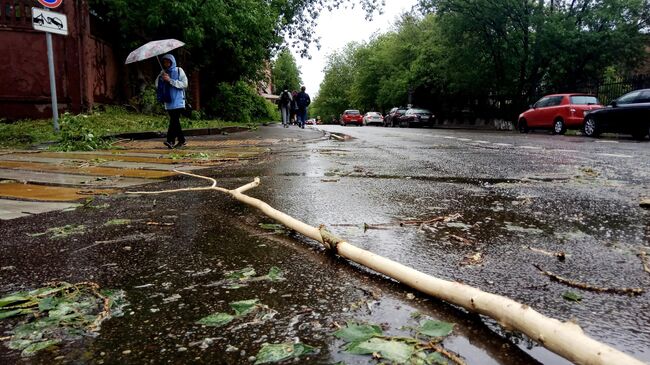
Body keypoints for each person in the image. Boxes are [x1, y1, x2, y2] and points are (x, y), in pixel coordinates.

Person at [156, 54, 188, 149]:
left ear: (172, 62)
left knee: (174, 120)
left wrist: (171, 80)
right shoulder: (163, 72)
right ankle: (182, 140)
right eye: (165, 62)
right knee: (175, 121)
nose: (166, 64)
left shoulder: (179, 70)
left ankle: (170, 141)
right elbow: (157, 85)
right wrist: (162, 79)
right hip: (168, 101)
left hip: (178, 101)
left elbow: (184, 84)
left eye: (168, 62)